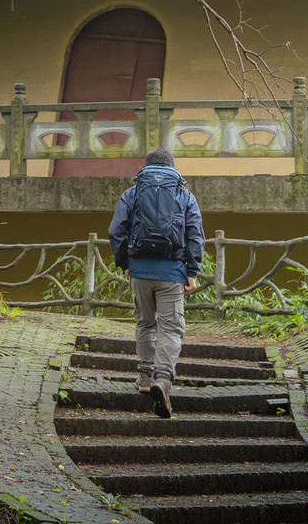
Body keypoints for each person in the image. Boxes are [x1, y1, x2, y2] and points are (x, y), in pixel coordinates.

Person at [108, 147, 204, 419]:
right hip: (172, 271)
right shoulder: (184, 194)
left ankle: (145, 376)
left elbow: (116, 231)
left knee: (145, 323)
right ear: (172, 166)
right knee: (171, 327)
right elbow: (195, 234)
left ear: (146, 166)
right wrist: (192, 270)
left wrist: (125, 264)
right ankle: (163, 379)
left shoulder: (133, 193)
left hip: (139, 270)